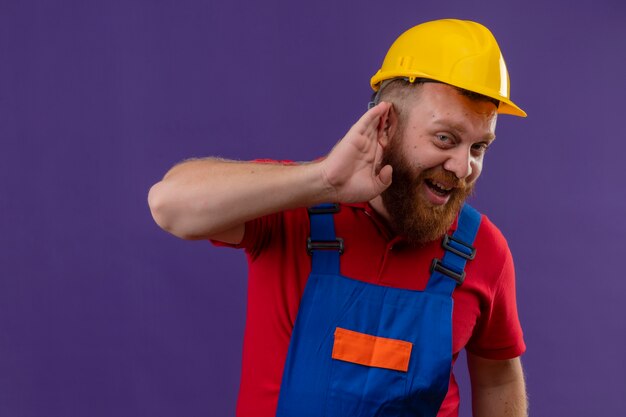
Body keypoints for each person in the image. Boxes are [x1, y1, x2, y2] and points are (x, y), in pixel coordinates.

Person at [148, 19, 527, 417]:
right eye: (445, 139)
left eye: (479, 147)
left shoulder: (483, 250)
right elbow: (168, 205)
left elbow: (498, 377)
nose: (462, 166)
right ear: (386, 122)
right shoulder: (293, 203)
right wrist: (324, 179)